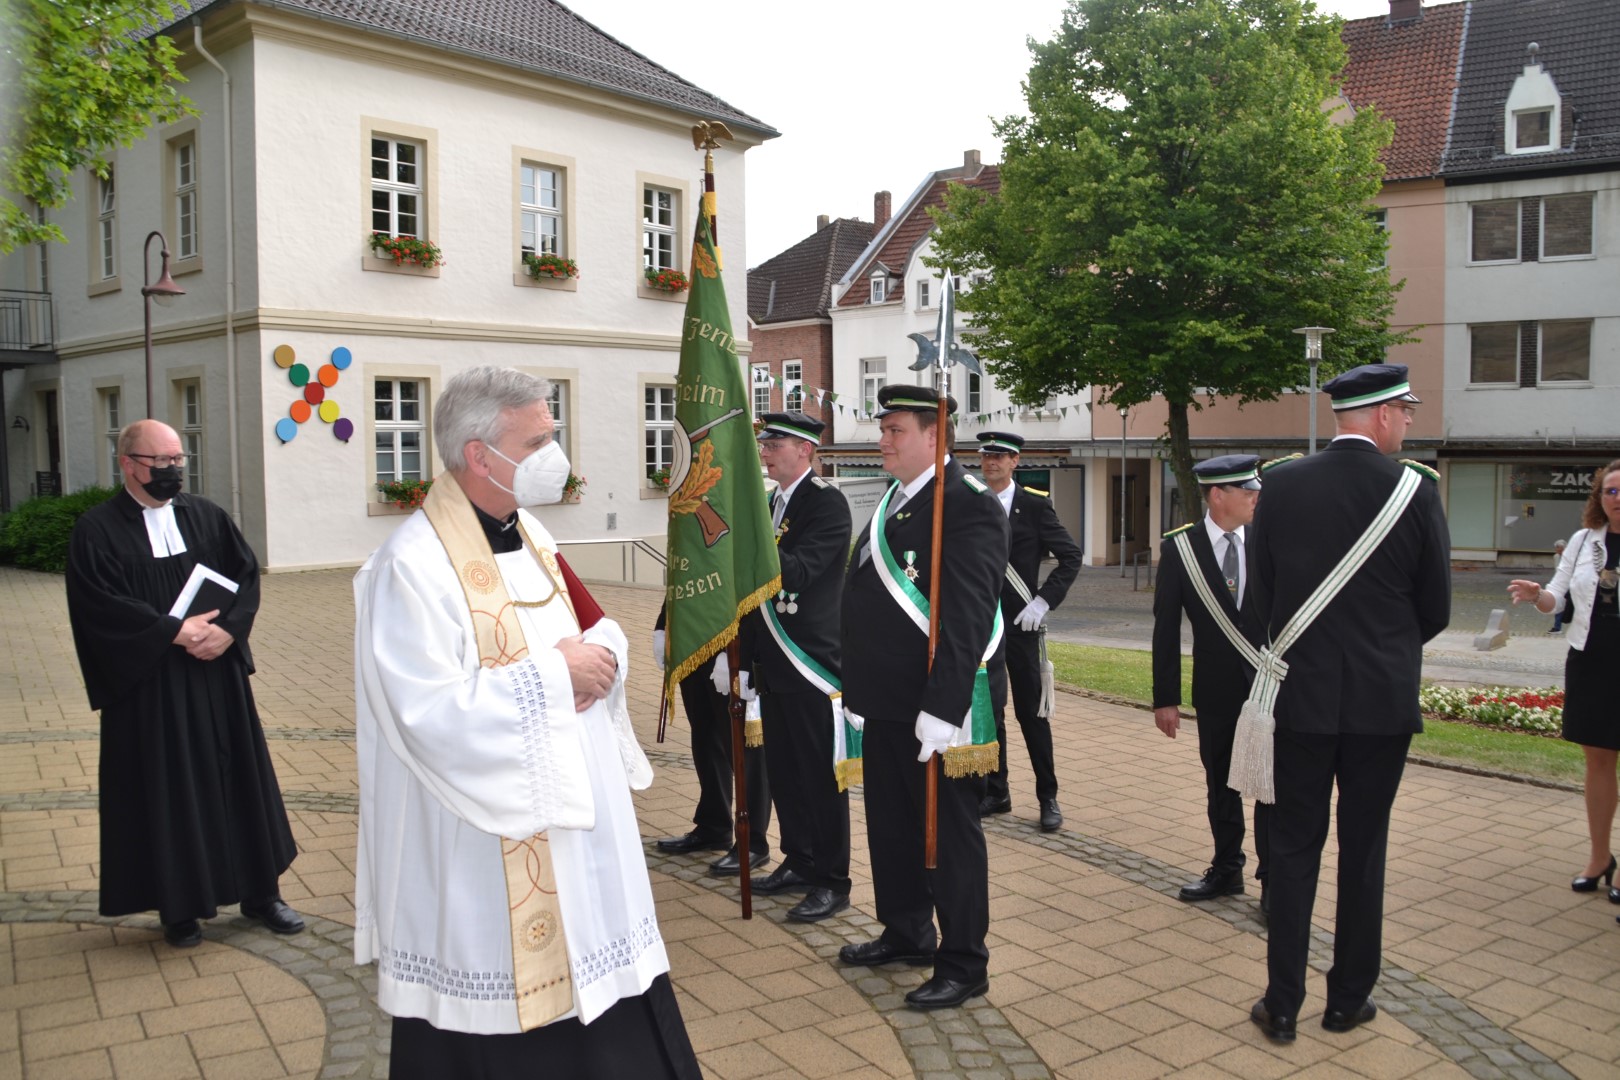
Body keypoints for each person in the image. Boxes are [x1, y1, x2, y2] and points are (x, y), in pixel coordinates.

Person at [353, 367, 699, 1076]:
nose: (555, 454)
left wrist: (603, 657)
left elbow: (593, 624)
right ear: (479, 455)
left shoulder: (530, 532)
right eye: (538, 440)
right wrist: (554, 678)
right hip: (482, 843)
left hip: (583, 834)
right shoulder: (411, 566)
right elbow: (423, 713)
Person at [1247, 364, 1450, 1043]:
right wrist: (1382, 655)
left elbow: (1262, 599)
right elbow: (1436, 607)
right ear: (1384, 414)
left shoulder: (1280, 484)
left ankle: (1281, 1004)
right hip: (1381, 706)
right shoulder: (1416, 490)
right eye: (1406, 412)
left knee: (1292, 848)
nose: (1409, 423)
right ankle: (1347, 1001)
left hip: (1300, 700)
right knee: (1364, 852)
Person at [64, 419, 302, 949]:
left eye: (179, 460)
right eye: (161, 462)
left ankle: (261, 894)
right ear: (128, 464)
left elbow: (244, 576)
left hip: (216, 676)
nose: (173, 470)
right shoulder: (97, 531)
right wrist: (171, 631)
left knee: (240, 780)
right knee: (168, 791)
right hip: (151, 687)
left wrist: (228, 631)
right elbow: (99, 605)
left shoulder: (207, 516)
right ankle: (180, 908)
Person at [838, 384, 1008, 1010]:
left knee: (949, 838)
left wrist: (943, 708)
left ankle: (964, 960)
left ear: (935, 436)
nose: (882, 441)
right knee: (892, 826)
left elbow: (966, 618)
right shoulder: (895, 499)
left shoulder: (966, 505)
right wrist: (857, 686)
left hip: (934, 707)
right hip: (883, 701)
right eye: (882, 430)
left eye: (895, 431)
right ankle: (907, 930)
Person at [734, 411, 853, 922]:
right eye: (764, 442)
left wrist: (753, 535)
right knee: (785, 772)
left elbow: (799, 573)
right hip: (774, 661)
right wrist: (744, 661)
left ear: (805, 450)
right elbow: (750, 593)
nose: (764, 450)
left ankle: (832, 879)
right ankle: (799, 861)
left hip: (810, 663)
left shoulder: (826, 503)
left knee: (821, 779)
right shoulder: (770, 503)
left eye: (775, 443)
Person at [1152, 454, 1271, 912]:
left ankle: (1273, 880)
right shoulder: (1180, 549)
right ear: (1218, 495)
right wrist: (1166, 698)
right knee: (1221, 784)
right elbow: (1165, 629)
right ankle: (1227, 869)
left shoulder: (1268, 539)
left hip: (1267, 688)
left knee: (1269, 784)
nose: (1256, 497)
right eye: (1247, 491)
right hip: (1216, 690)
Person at [1508, 460, 1620, 910]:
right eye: (1611, 490)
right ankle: (1599, 857)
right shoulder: (1583, 541)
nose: (1617, 498)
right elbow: (1558, 597)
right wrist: (1538, 596)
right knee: (1598, 760)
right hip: (1591, 659)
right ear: (1600, 497)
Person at [975, 432, 1083, 832]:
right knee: (991, 711)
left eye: (1000, 456)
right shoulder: (971, 503)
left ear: (1015, 461)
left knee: (1031, 713)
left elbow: (1070, 556)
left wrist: (1042, 601)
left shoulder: (1034, 505)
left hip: (1022, 625)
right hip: (983, 626)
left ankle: (1047, 796)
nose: (991, 462)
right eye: (986, 456)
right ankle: (997, 790)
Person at [651, 611, 773, 877]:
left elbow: (753, 592)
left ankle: (753, 841)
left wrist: (741, 647)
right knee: (704, 736)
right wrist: (664, 624)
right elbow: (680, 586)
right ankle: (713, 826)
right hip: (692, 639)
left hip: (734, 641)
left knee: (744, 748)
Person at [1549, 539, 1569, 633]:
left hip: (1570, 584)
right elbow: (1556, 571)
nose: (1558, 551)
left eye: (1560, 549)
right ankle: (1557, 627)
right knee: (1558, 604)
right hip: (1560, 585)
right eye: (1557, 549)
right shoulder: (1556, 557)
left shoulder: (1570, 557)